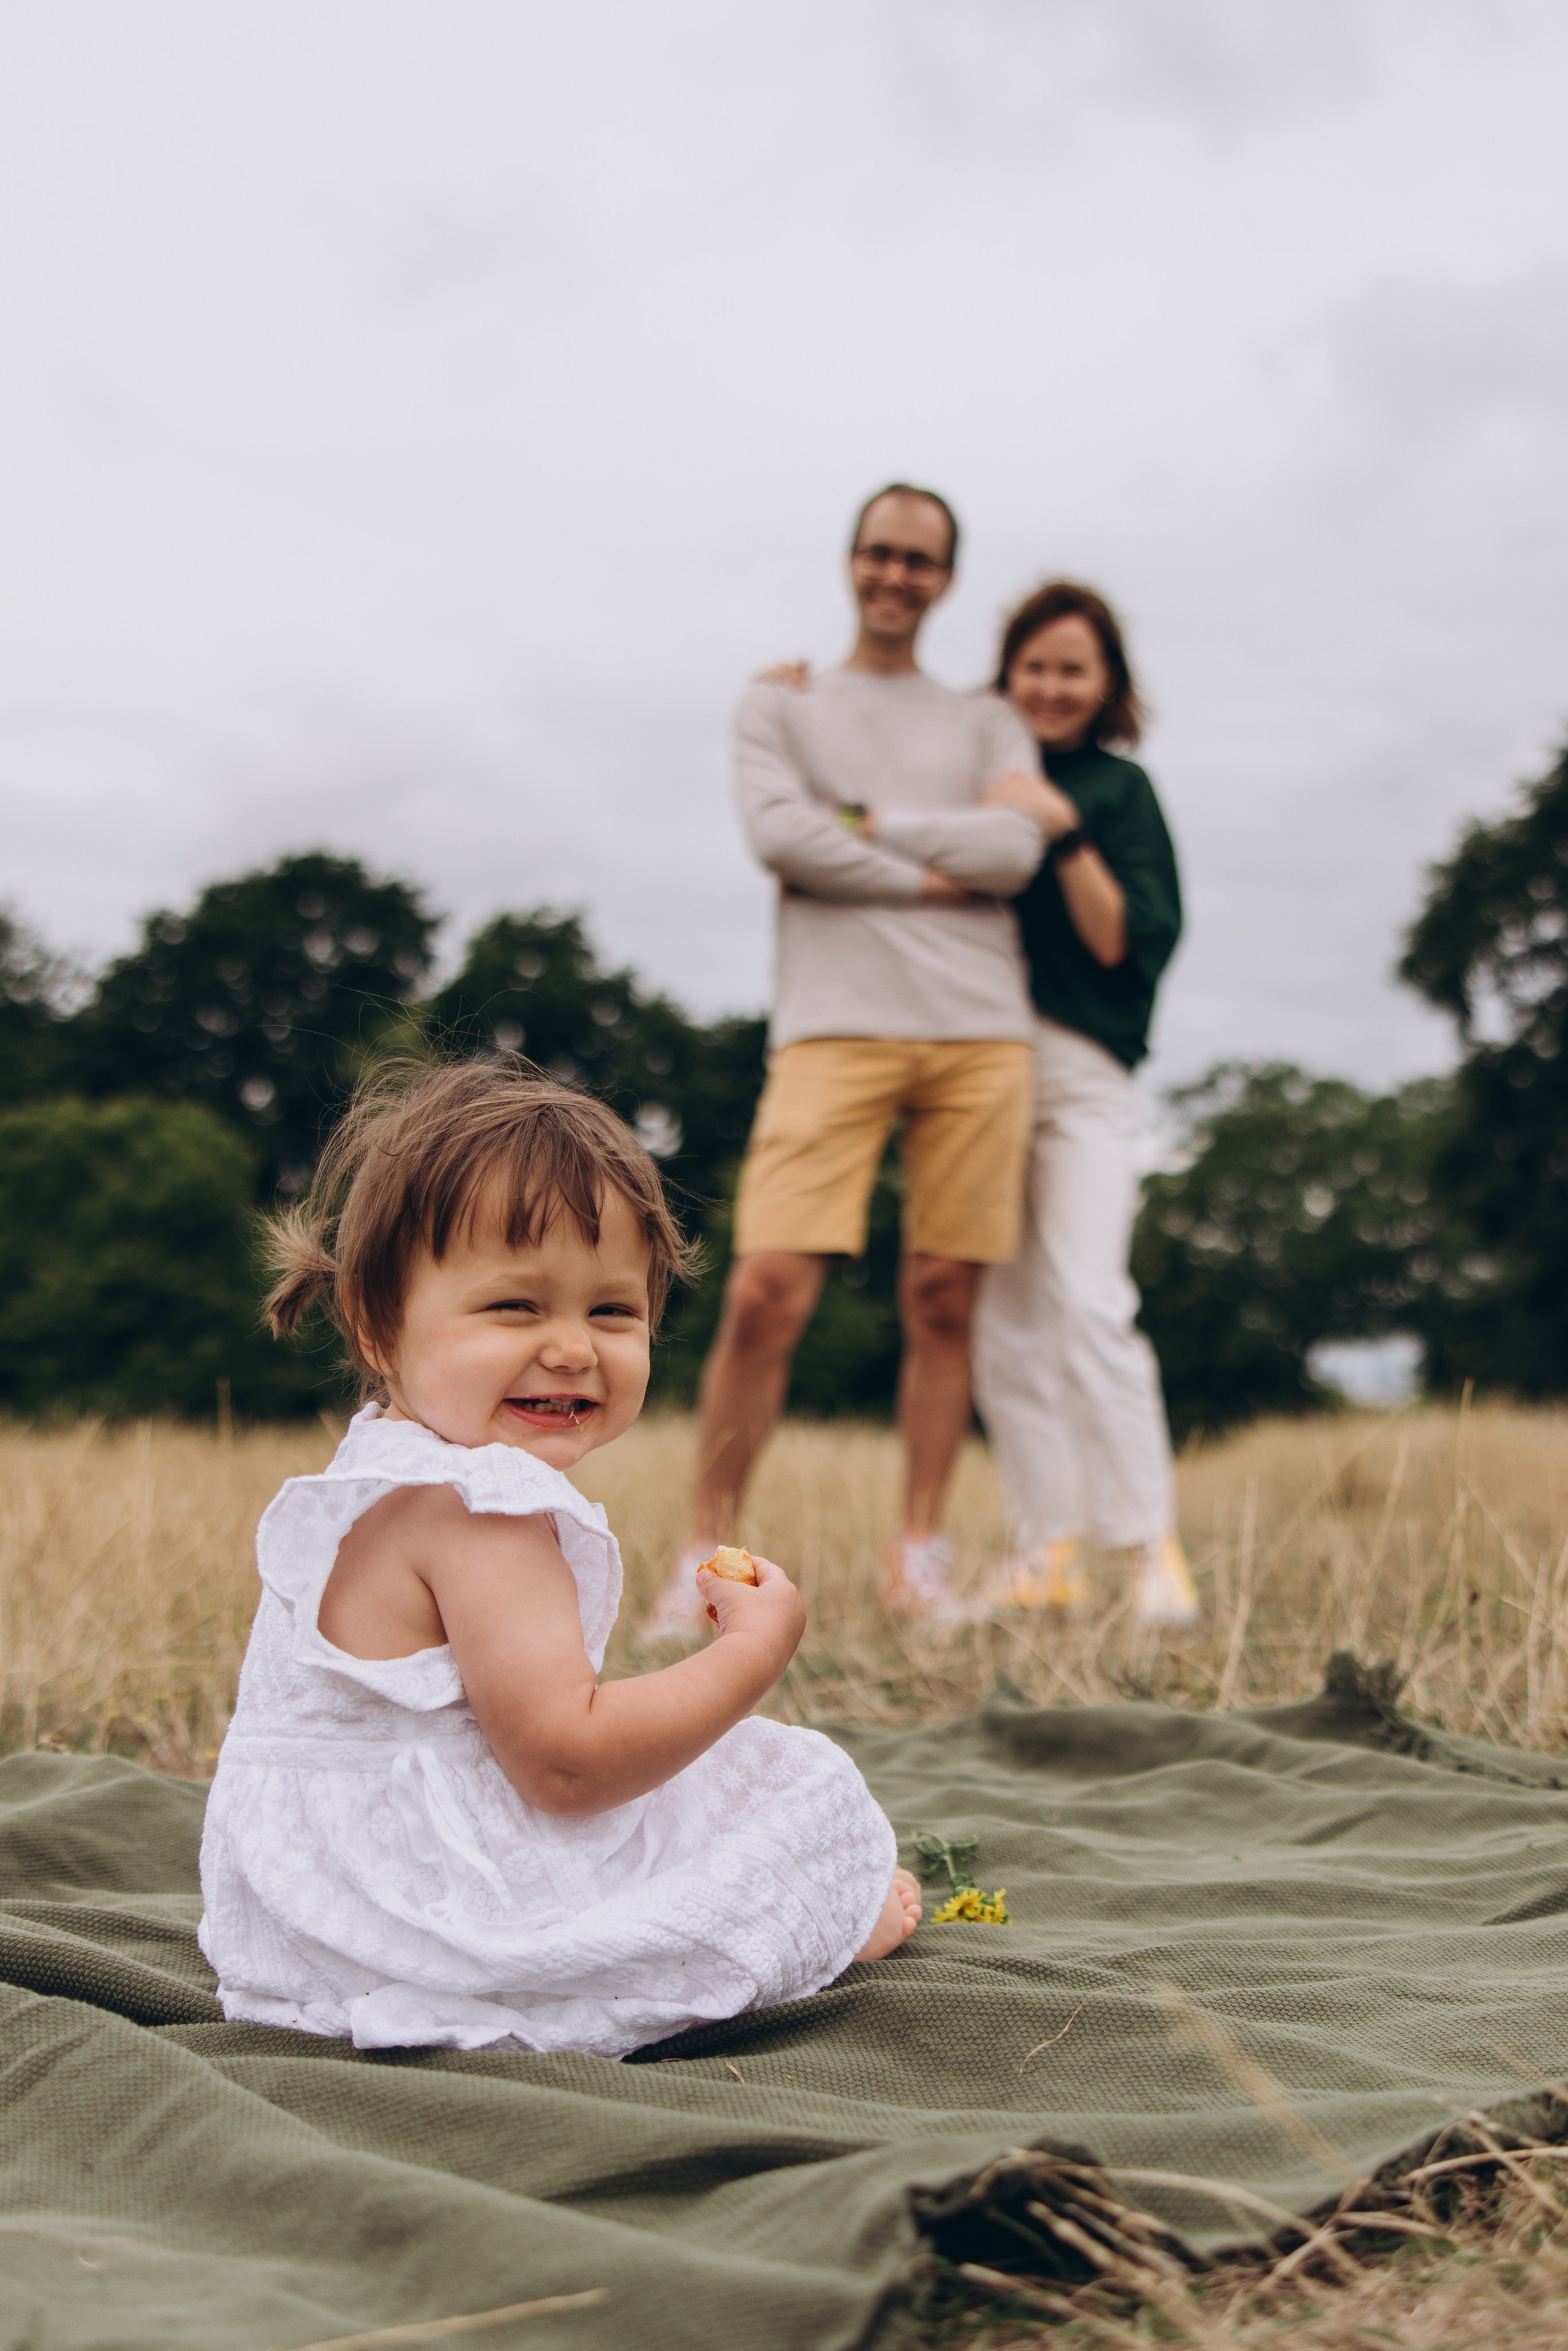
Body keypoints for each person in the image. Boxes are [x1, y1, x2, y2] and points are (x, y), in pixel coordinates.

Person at [197, 1058, 918, 2060]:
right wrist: (753, 1651)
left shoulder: (388, 1463)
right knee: (791, 1783)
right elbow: (569, 1766)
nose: (574, 1348)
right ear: (378, 1321)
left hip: (308, 1915)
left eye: (613, 1311)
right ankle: (808, 1931)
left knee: (703, 1785)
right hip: (432, 1917)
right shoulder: (487, 1508)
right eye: (516, 1308)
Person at [640, 483, 1046, 1639]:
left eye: (921, 559)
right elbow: (777, 835)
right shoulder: (780, 708)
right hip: (831, 1024)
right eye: (879, 552)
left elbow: (1016, 847)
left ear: (947, 578)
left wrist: (856, 827)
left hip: (979, 1032)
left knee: (943, 1296)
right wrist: (927, 865)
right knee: (767, 1292)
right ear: (850, 561)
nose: (897, 574)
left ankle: (918, 1555)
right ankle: (703, 1559)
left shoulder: (987, 721)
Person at [971, 581, 1198, 1625]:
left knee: (1090, 1299)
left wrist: (1062, 834)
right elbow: (869, 803)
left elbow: (1119, 939)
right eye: (1035, 665)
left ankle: (1153, 1549)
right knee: (1006, 1320)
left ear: (1106, 682)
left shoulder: (1119, 791)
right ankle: (1042, 1551)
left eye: (1074, 667)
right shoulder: (979, 769)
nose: (1052, 685)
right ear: (1007, 672)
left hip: (1082, 1072)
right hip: (977, 1065)